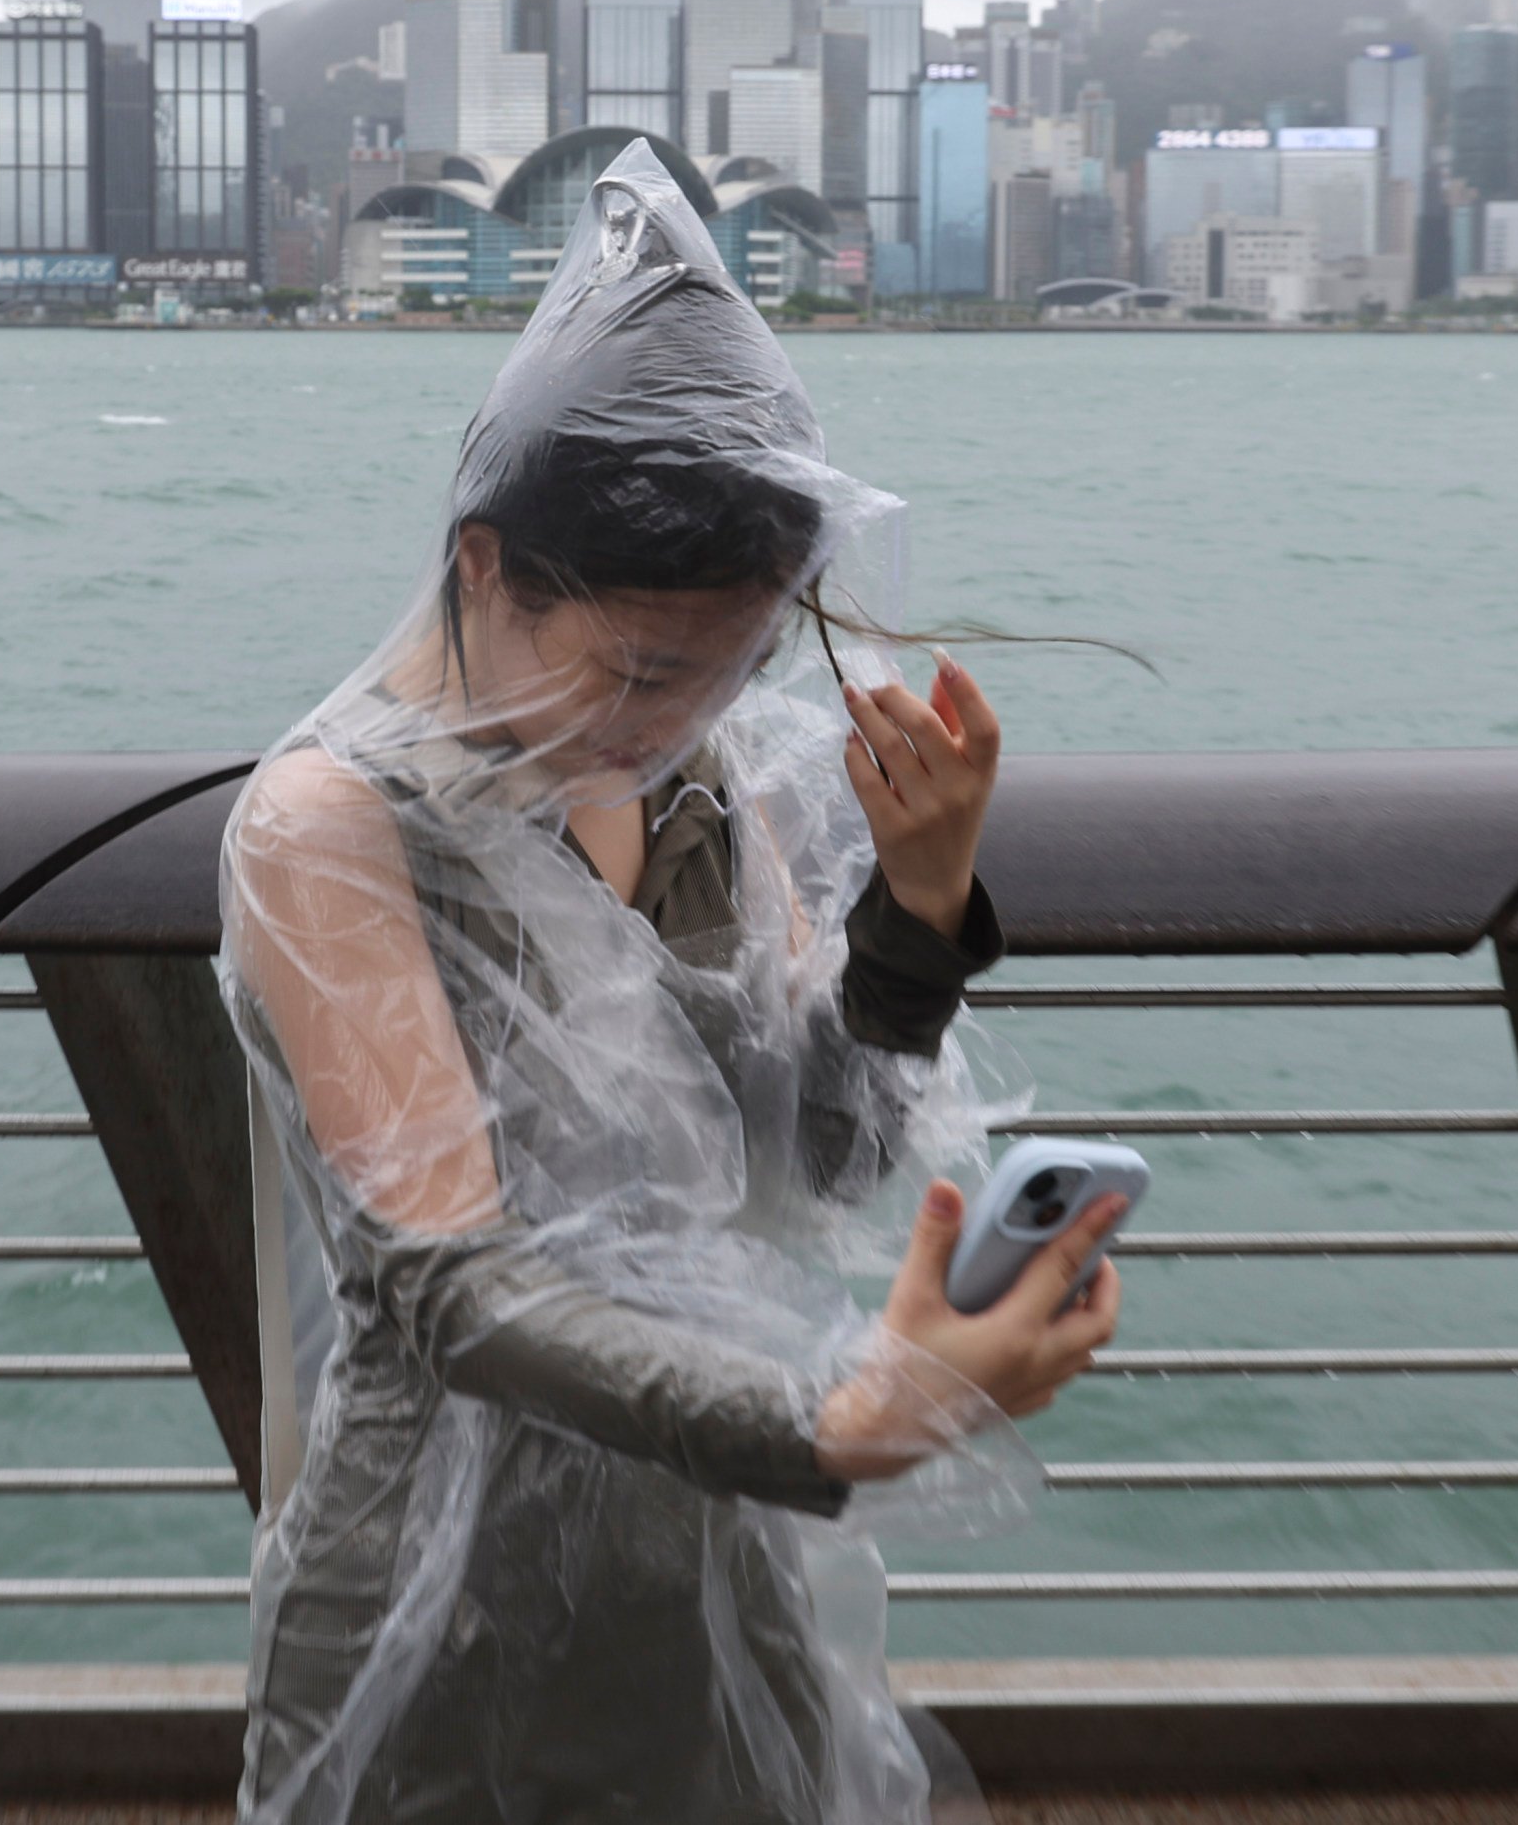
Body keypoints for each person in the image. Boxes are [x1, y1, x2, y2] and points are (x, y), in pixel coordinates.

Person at [222, 144, 1125, 1825]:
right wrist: (831, 1418)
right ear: (486, 565)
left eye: (733, 660)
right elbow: (450, 1291)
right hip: (446, 1578)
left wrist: (916, 916)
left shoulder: (705, 784)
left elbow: (816, 1156)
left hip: (701, 1537)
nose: (676, 713)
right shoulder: (330, 821)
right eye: (638, 664)